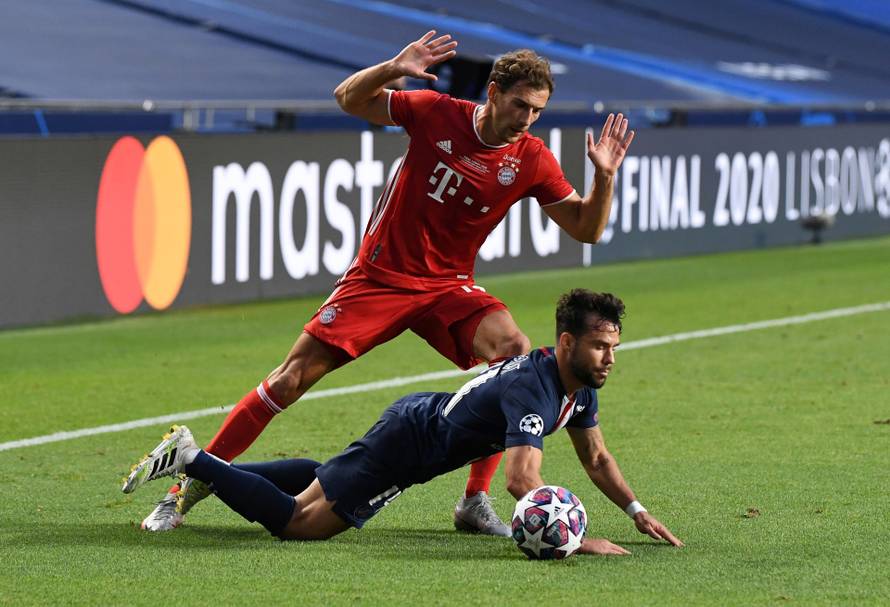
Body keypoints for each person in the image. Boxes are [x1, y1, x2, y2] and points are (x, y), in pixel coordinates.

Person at [140, 31, 636, 536]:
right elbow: (349, 98)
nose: (527, 119)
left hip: (448, 287)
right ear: (492, 92)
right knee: (290, 380)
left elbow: (586, 229)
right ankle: (180, 493)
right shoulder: (436, 112)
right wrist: (392, 67)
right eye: (519, 106)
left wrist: (606, 178)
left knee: (513, 353)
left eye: (537, 111)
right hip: (380, 276)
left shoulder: (530, 157)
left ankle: (473, 501)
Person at [125, 290, 682, 554]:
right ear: (567, 343)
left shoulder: (576, 386)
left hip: (416, 427)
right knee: (302, 524)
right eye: (600, 346)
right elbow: (521, 481)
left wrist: (636, 512)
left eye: (614, 346)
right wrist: (577, 540)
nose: (610, 357)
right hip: (411, 443)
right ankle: (194, 459)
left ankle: (212, 468)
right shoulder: (534, 388)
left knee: (326, 477)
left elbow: (597, 458)